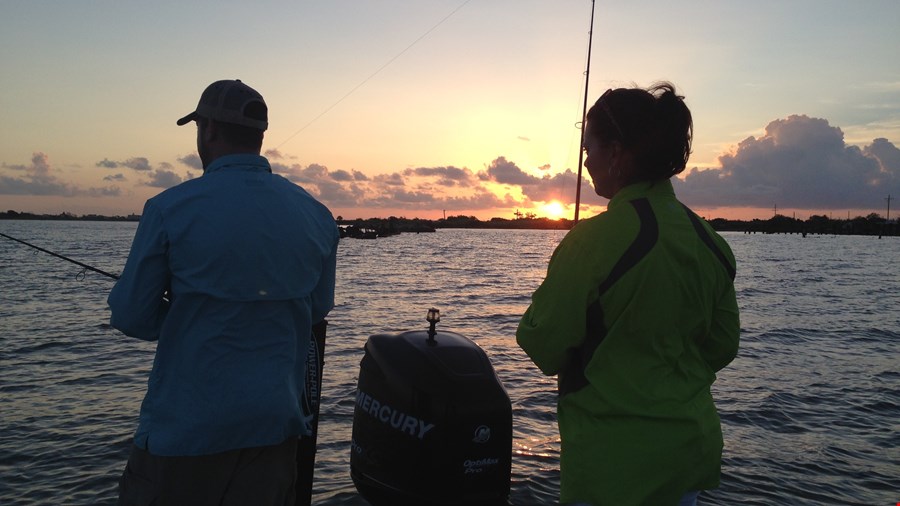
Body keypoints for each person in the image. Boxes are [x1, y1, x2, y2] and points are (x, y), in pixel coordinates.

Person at [108, 79, 340, 505]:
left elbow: (130, 317)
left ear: (208, 129)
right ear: (259, 135)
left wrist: (182, 317)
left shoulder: (169, 209)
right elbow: (316, 310)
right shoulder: (316, 215)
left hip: (185, 433)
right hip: (274, 431)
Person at [516, 82, 740, 505]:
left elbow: (543, 345)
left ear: (616, 153)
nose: (585, 162)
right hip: (688, 457)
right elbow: (723, 346)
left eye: (589, 148)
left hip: (611, 466)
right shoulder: (711, 242)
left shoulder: (590, 242)